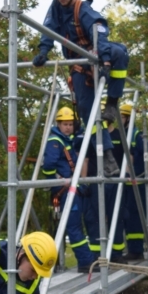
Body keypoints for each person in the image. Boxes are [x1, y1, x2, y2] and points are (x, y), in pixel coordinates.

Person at [32, 0, 130, 126]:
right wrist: (43, 51)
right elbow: (48, 28)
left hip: (95, 52)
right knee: (85, 108)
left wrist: (105, 60)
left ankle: (112, 102)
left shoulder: (82, 9)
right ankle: (100, 141)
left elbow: (98, 30)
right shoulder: (56, 8)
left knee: (119, 52)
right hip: (77, 63)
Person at [40, 104, 98, 273]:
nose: (68, 127)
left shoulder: (66, 140)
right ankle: (86, 262)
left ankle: (87, 260)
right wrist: (58, 181)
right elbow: (48, 166)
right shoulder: (55, 141)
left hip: (71, 189)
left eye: (70, 124)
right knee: (74, 227)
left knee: (77, 226)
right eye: (64, 124)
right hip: (65, 190)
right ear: (58, 124)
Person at [118, 100, 148, 262]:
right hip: (124, 183)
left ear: (128, 118)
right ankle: (132, 249)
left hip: (136, 183)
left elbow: (147, 147)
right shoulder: (122, 134)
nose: (119, 120)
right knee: (126, 217)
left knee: (135, 217)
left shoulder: (135, 134)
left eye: (122, 117)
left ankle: (136, 250)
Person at [82, 106, 126, 264]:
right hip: (96, 182)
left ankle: (116, 254)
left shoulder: (119, 135)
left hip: (115, 182)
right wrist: (84, 182)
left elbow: (127, 158)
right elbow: (85, 159)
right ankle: (97, 255)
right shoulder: (92, 135)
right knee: (95, 218)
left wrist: (127, 177)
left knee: (117, 217)